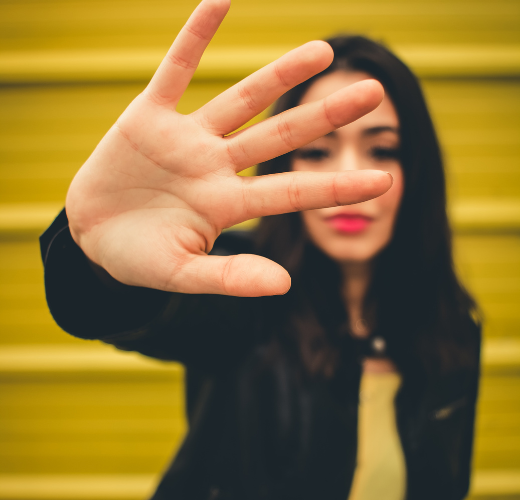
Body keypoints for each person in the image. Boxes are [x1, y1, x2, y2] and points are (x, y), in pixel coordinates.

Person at [40, 0, 481, 499]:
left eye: (382, 149)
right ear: (283, 168)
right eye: (317, 151)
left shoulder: (453, 327)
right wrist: (95, 258)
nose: (350, 178)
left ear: (418, 172)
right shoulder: (239, 286)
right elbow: (116, 309)